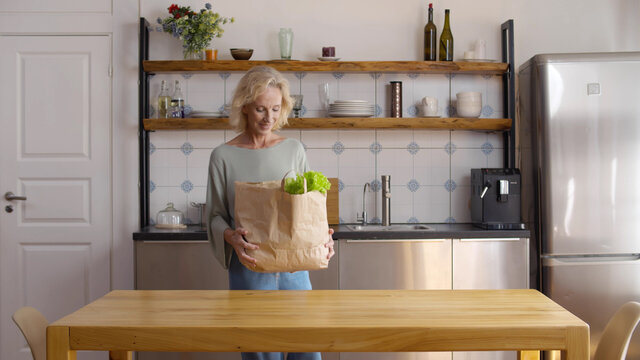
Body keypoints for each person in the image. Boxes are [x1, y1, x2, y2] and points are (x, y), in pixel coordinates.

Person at [206, 65, 335, 360]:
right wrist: (231, 236)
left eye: (276, 109)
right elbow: (214, 215)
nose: (269, 118)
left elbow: (307, 209)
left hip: (295, 270)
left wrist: (322, 238)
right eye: (261, 109)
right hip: (250, 268)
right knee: (259, 352)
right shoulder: (223, 156)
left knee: (306, 351)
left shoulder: (294, 150)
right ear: (246, 107)